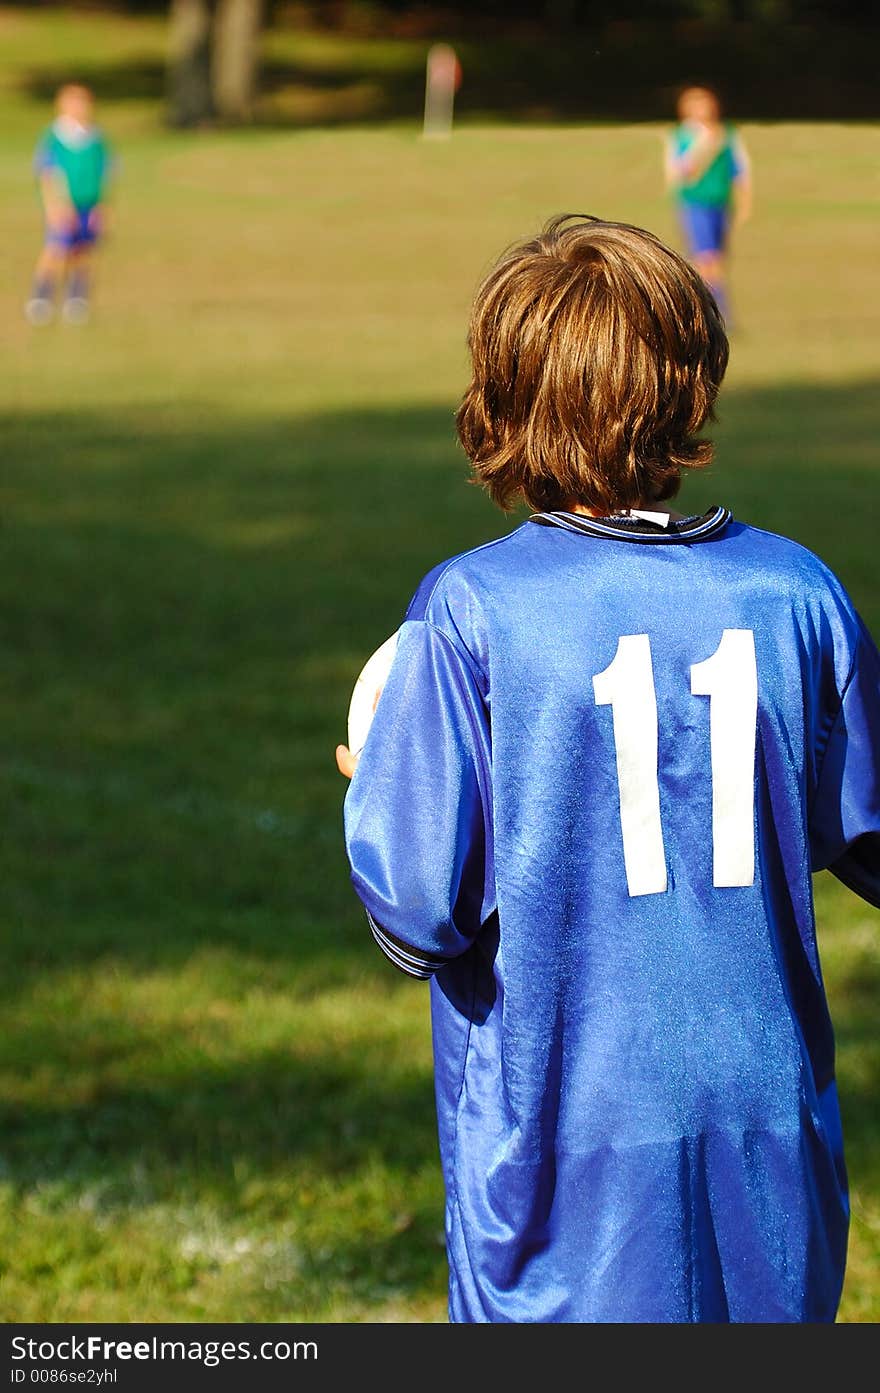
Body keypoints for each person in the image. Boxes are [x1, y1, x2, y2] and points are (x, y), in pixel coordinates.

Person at [337, 215, 880, 1323]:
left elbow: (420, 912)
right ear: (693, 384)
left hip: (561, 1155)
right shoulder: (797, 595)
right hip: (770, 1134)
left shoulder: (473, 611)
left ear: (500, 398)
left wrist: (374, 781)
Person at [25, 83, 114, 326]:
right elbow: (48, 174)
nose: (80, 108)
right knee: (56, 250)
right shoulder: (55, 138)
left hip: (89, 204)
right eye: (73, 102)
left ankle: (77, 298)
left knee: (83, 252)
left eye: (84, 102)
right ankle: (41, 297)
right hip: (63, 206)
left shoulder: (95, 139)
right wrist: (56, 205)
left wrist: (101, 206)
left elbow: (104, 174)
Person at [664, 84, 751, 323]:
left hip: (720, 203)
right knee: (706, 258)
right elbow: (678, 173)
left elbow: (739, 169)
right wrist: (702, 146)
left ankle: (712, 309)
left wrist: (745, 200)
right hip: (695, 203)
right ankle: (714, 312)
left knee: (718, 259)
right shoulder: (683, 137)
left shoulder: (727, 134)